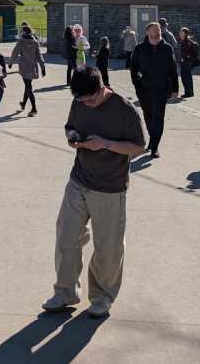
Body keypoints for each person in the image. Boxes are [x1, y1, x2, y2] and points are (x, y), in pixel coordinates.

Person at [42, 67, 146, 319]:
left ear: (102, 88)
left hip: (110, 188)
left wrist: (106, 144)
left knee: (107, 247)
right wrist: (72, 137)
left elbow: (139, 147)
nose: (87, 104)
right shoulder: (79, 102)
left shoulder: (125, 110)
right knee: (66, 237)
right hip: (79, 180)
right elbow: (70, 126)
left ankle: (101, 296)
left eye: (91, 99)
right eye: (82, 100)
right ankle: (65, 291)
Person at [130, 21, 179, 158]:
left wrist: (175, 89)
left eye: (158, 30)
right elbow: (133, 68)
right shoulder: (139, 48)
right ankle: (153, 138)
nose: (157, 33)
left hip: (162, 89)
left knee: (158, 117)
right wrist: (137, 85)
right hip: (144, 90)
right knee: (148, 116)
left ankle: (155, 146)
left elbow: (173, 70)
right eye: (154, 30)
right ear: (147, 32)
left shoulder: (167, 49)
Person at [10, 24, 46, 116]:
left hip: (24, 67)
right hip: (32, 67)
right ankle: (23, 104)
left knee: (28, 87)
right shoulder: (35, 42)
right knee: (28, 85)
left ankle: (34, 108)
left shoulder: (21, 41)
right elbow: (39, 55)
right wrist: (43, 67)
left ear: (24, 32)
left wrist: (11, 62)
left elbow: (15, 52)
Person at [177, 27, 200, 98]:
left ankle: (189, 93)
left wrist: (185, 58)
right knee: (185, 77)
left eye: (181, 32)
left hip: (186, 62)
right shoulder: (184, 41)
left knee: (186, 77)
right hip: (185, 62)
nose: (180, 33)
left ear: (185, 34)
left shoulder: (187, 42)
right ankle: (188, 92)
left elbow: (186, 53)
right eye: (180, 32)